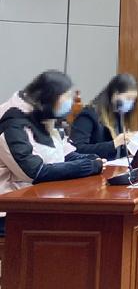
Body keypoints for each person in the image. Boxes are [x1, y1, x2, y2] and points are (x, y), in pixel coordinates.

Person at [0, 71, 104, 235]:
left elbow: (64, 153)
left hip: (38, 201)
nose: (70, 102)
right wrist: (87, 166)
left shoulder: (43, 115)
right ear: (49, 97)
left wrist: (92, 159)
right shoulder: (12, 122)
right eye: (66, 96)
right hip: (9, 211)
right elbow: (35, 172)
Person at [69, 73, 138, 159]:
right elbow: (77, 148)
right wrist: (114, 143)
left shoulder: (118, 114)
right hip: (95, 165)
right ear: (115, 94)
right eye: (128, 98)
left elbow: (118, 152)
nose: (131, 103)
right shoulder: (89, 114)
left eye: (133, 99)